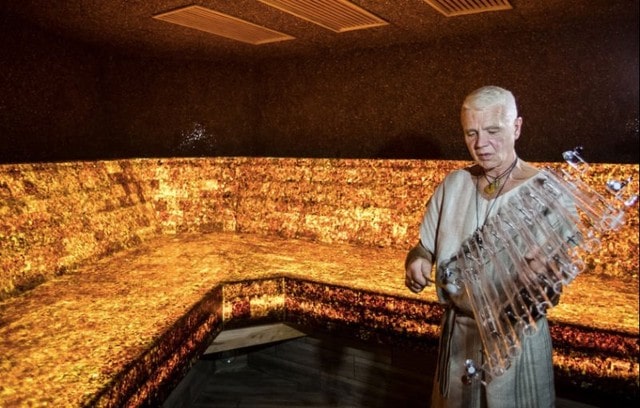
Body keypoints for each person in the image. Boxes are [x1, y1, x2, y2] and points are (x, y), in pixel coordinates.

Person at [405, 85, 571, 408]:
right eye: (472, 133)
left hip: (516, 343)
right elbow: (424, 248)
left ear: (517, 128)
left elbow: (554, 290)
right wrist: (417, 261)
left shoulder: (545, 193)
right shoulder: (454, 185)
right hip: (459, 340)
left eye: (493, 131)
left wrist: (543, 278)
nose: (481, 144)